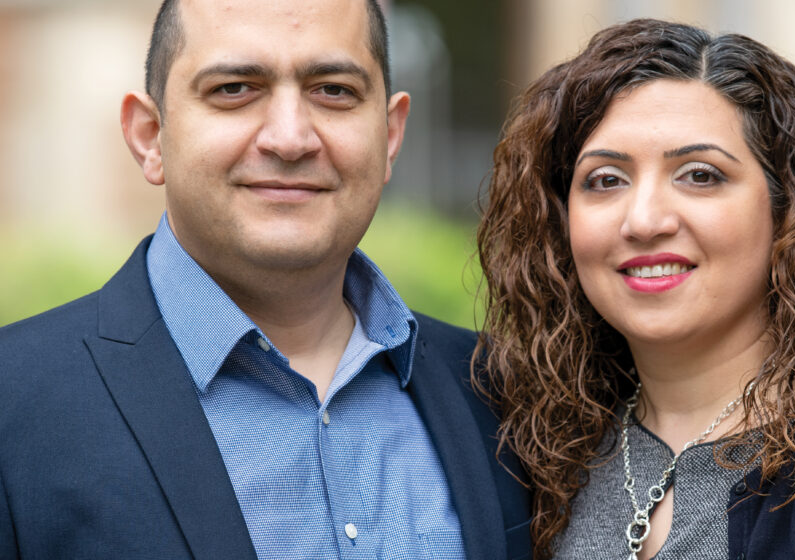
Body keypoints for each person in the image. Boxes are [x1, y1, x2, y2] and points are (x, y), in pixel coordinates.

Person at [0, 0, 531, 558]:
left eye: (333, 90)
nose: (289, 138)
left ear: (390, 133)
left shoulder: (503, 394)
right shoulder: (14, 402)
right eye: (234, 88)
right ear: (150, 135)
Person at [477, 18, 795, 560]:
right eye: (605, 180)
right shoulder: (523, 459)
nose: (643, 221)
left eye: (700, 175)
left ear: (791, 212)